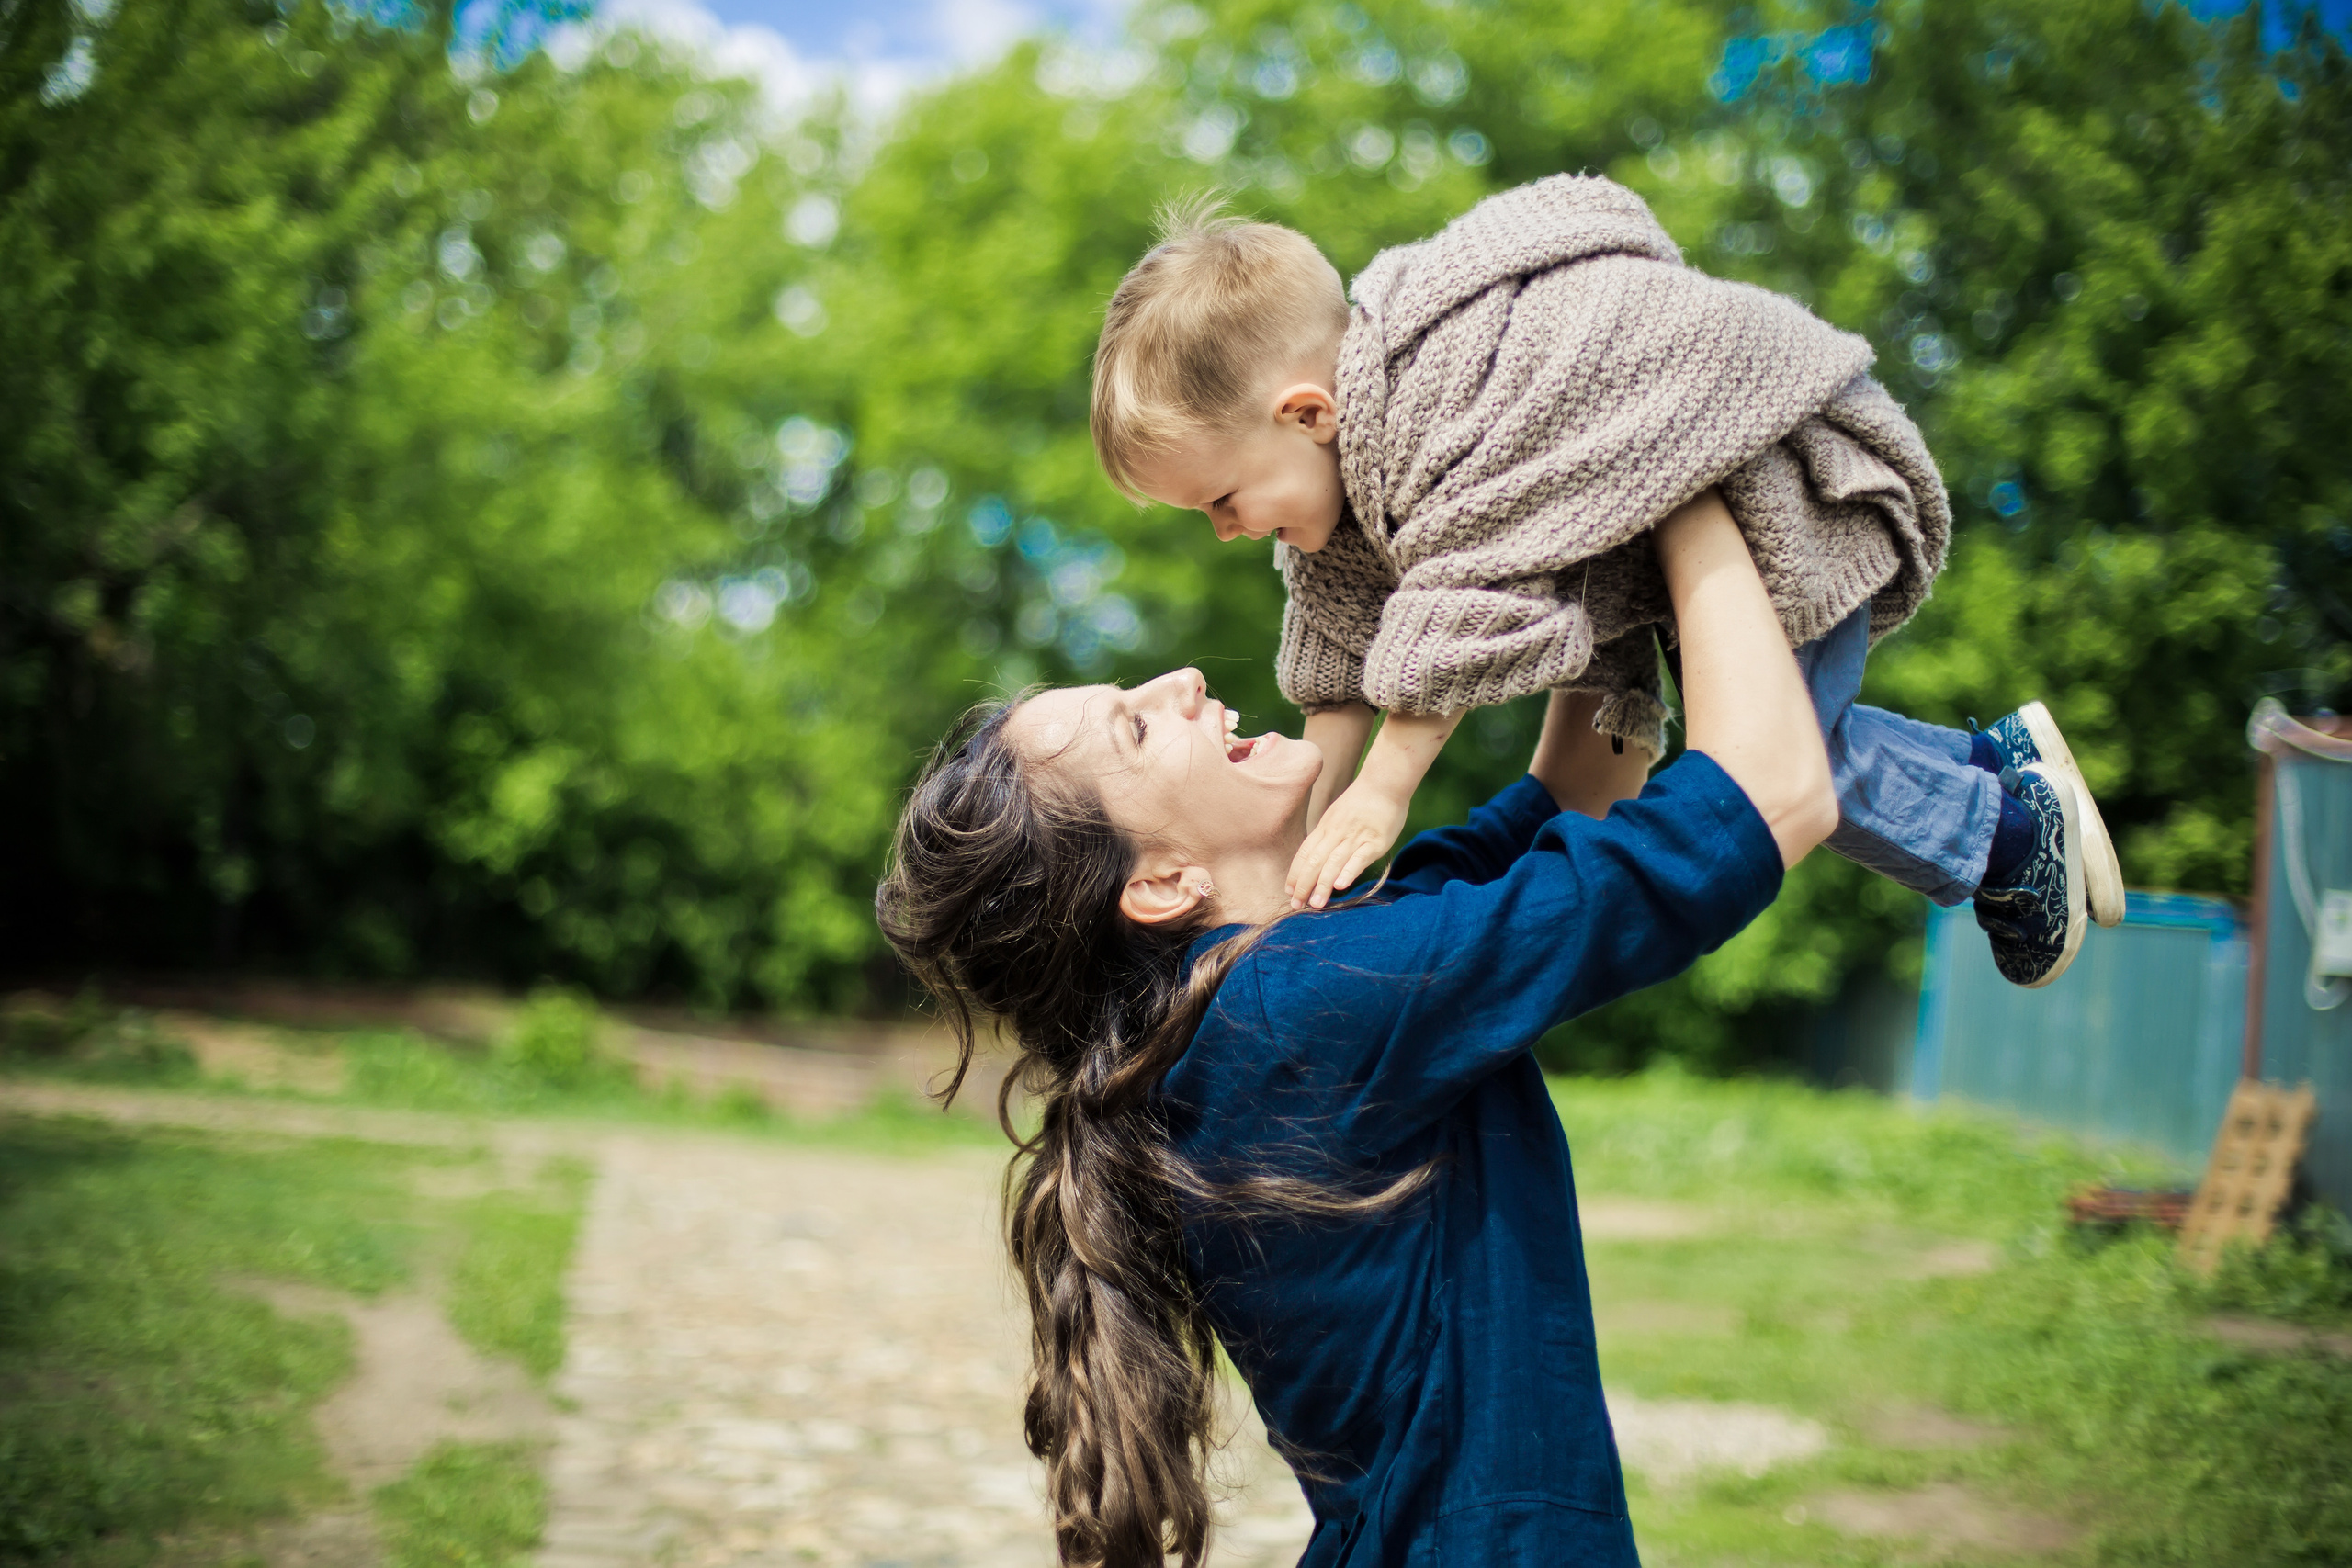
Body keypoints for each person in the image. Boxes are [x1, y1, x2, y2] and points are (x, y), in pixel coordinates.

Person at [876, 492, 1839, 1566]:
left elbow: (1581, 795)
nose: (1183, 681)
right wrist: (1676, 480)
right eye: (1138, 725)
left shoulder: (1273, 989)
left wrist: (1571, 531)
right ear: (1159, 882)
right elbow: (1775, 796)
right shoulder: (1305, 1002)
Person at [1089, 176, 2123, 988]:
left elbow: (1464, 605)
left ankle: (2006, 833)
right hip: (1680, 517)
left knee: (1768, 760)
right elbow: (1338, 649)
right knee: (1780, 743)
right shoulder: (1345, 494)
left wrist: (1383, 793)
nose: (1225, 532)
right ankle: (1990, 763)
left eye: (1220, 498)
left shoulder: (1434, 412)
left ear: (1308, 415)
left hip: (1750, 463)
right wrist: (1303, 829)